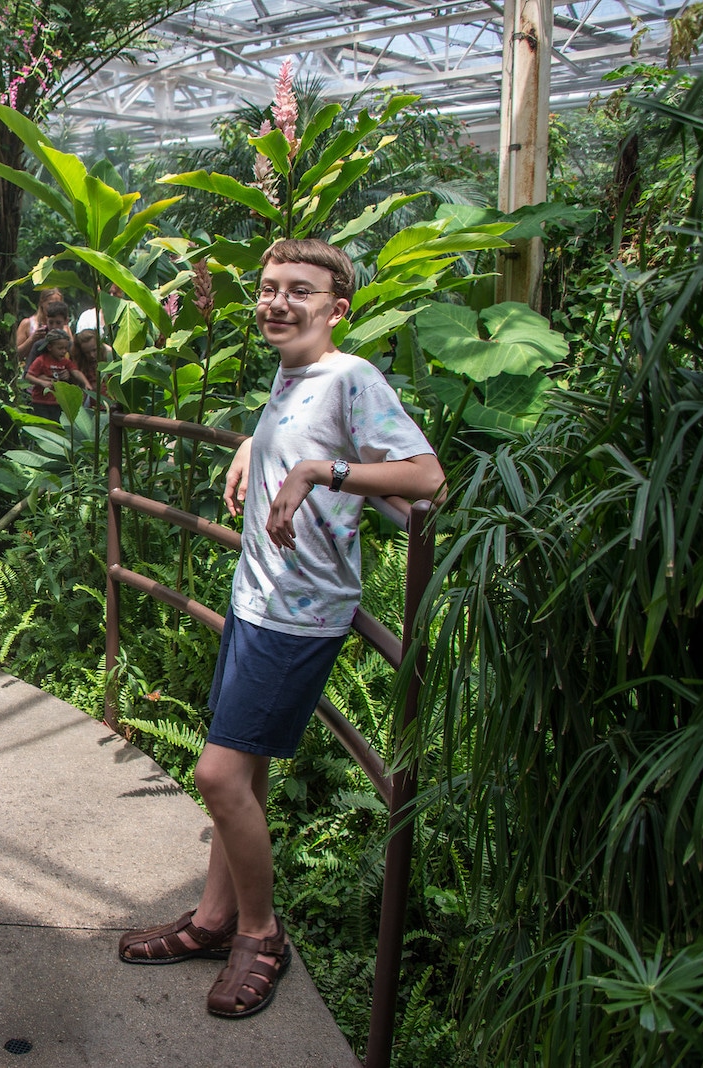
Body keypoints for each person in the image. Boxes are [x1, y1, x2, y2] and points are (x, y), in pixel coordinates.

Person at [116, 239, 445, 1020]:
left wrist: (316, 474)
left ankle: (261, 936)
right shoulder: (294, 373)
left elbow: (426, 477)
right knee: (249, 772)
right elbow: (297, 429)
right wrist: (252, 445)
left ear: (338, 309)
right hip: (256, 598)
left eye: (300, 290)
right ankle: (212, 918)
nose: (276, 301)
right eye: (268, 288)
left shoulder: (350, 376)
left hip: (299, 617)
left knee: (220, 777)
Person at [24, 327, 91, 421]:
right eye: (60, 348)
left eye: (65, 348)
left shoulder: (65, 362)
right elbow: (28, 376)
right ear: (50, 347)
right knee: (44, 426)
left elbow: (75, 371)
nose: (64, 351)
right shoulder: (41, 360)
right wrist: (42, 382)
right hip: (40, 401)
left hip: (58, 402)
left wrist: (86, 383)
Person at [12, 288, 71, 358]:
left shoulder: (65, 327)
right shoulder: (28, 323)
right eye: (50, 304)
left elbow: (74, 352)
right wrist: (32, 339)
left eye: (57, 304)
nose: (54, 307)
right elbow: (14, 354)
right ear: (42, 303)